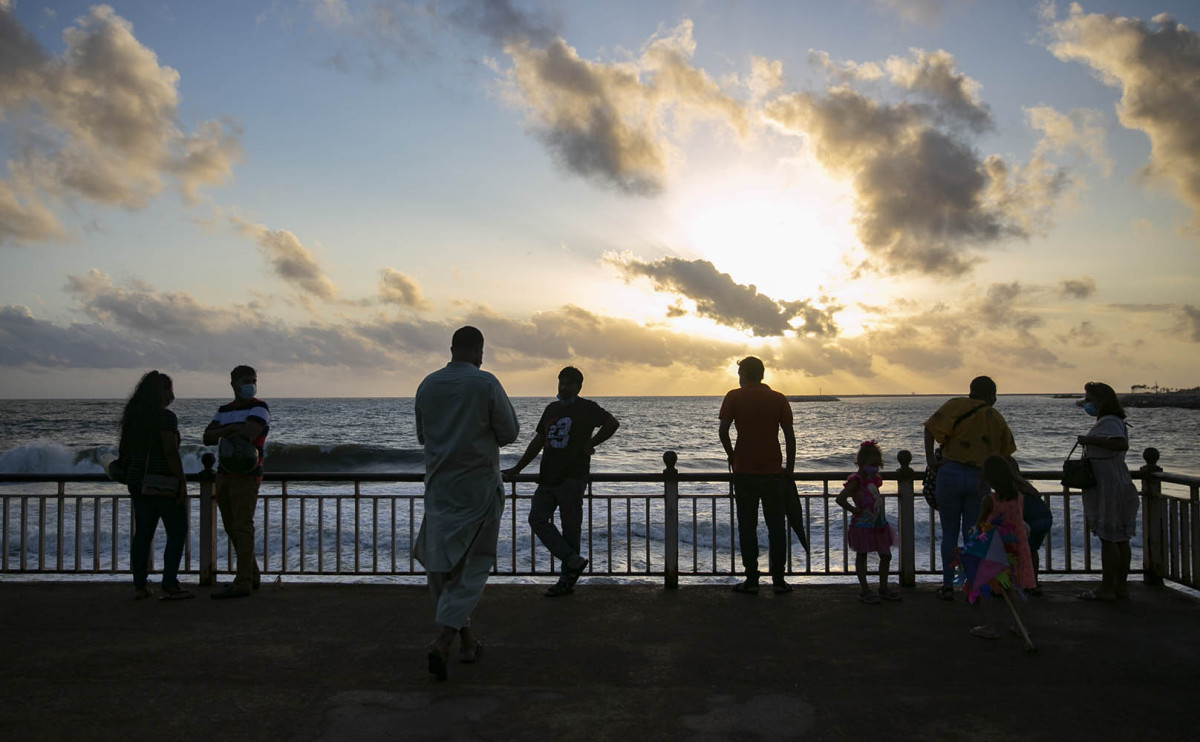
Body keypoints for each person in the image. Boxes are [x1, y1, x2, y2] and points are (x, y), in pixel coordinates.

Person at [415, 326, 520, 681]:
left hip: (440, 490)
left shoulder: (427, 384)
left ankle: (467, 643)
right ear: (479, 349)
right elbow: (509, 433)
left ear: (451, 348)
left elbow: (421, 436)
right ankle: (443, 640)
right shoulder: (486, 383)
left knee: (441, 568)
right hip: (478, 491)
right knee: (474, 568)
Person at [502, 366, 619, 597]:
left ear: (579, 387)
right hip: (548, 477)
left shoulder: (587, 408)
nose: (564, 387)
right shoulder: (551, 408)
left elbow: (612, 423)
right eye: (561, 383)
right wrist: (517, 468)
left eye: (569, 384)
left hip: (573, 477)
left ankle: (566, 582)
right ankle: (572, 560)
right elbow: (538, 440)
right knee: (537, 518)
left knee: (570, 530)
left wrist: (591, 444)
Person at [924, 376, 1017, 601]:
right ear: (992, 394)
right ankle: (972, 585)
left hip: (950, 473)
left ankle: (947, 585)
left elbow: (929, 428)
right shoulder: (995, 417)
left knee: (949, 532)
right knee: (973, 534)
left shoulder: (955, 405)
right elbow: (1006, 455)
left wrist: (930, 460)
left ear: (971, 390)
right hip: (979, 478)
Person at [719, 356, 796, 595]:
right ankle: (779, 581)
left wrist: (733, 455)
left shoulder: (733, 396)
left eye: (739, 372)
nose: (738, 377)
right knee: (776, 527)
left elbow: (723, 432)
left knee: (747, 527)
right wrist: (789, 471)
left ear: (743, 375)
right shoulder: (778, 399)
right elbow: (790, 437)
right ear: (762, 374)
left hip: (744, 472)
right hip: (774, 472)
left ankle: (752, 579)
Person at [119, 371, 191, 600]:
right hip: (162, 483)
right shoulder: (165, 417)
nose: (172, 394)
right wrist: (182, 480)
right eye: (169, 389)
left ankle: (140, 585)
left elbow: (126, 452)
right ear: (162, 392)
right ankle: (169, 583)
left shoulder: (133, 418)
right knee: (177, 531)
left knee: (143, 534)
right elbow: (170, 450)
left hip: (137, 482)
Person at [203, 365, 270, 599]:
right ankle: (251, 575)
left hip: (247, 475)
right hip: (224, 474)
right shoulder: (223, 410)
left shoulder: (260, 408)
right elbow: (207, 437)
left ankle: (243, 581)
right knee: (232, 525)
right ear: (233, 384)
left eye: (254, 380)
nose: (251, 384)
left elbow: (248, 434)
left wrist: (225, 430)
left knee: (242, 524)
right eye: (246, 380)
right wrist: (232, 429)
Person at [1076, 381, 1140, 602]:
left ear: (1100, 401)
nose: (1086, 403)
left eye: (1089, 399)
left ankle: (1106, 587)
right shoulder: (1114, 420)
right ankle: (1120, 587)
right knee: (1121, 538)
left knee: (1109, 539)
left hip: (1109, 486)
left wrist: (1089, 440)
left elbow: (1120, 444)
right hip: (1117, 482)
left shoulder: (1110, 421)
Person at [967, 455, 1035, 641]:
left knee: (984, 585)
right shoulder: (1019, 497)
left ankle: (990, 626)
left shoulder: (989, 500)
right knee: (1011, 586)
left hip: (994, 549)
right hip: (1015, 548)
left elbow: (980, 525)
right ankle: (1020, 625)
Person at [835, 441, 900, 603]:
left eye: (878, 465)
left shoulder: (874, 479)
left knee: (886, 555)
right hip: (863, 525)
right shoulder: (856, 480)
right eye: (873, 465)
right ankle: (865, 590)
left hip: (878, 524)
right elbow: (840, 499)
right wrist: (854, 510)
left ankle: (883, 587)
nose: (876, 468)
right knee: (862, 555)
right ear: (862, 463)